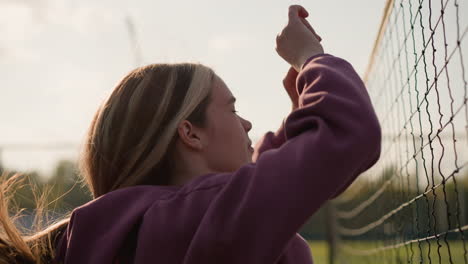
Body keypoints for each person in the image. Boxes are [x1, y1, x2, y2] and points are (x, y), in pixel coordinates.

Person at [0, 5, 381, 264]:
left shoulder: (123, 228)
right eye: (232, 109)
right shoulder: (202, 218)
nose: (247, 124)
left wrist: (301, 117)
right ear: (190, 134)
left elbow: (261, 181)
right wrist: (311, 57)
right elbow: (347, 131)